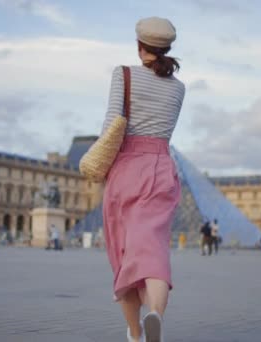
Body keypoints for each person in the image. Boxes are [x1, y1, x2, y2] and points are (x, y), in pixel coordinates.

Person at [100, 16, 184, 342]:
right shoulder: (180, 88)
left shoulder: (124, 75)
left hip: (126, 167)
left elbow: (112, 126)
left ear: (139, 46)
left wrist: (100, 166)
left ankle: (135, 334)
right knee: (153, 253)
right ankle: (155, 316)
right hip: (162, 167)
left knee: (124, 257)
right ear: (168, 47)